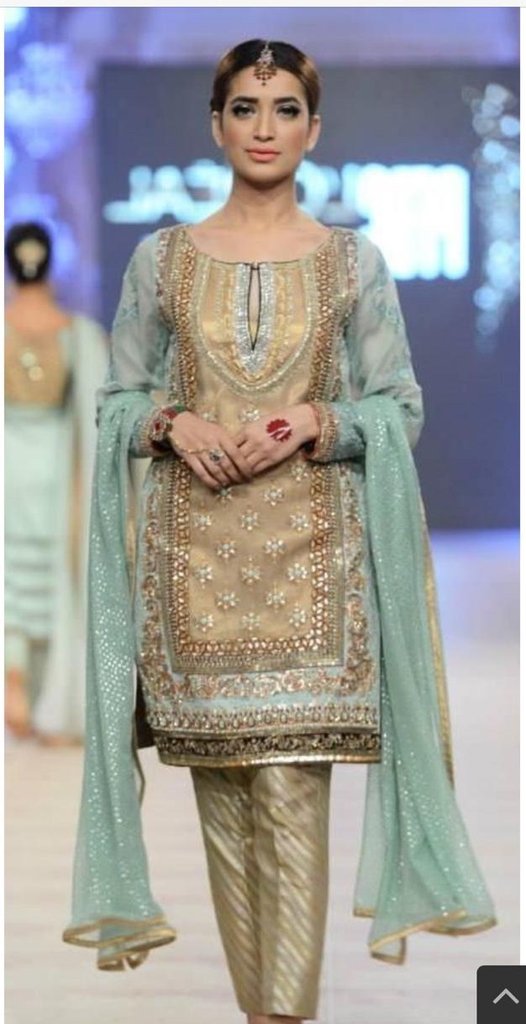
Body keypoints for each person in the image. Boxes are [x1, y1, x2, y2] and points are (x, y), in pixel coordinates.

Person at [63, 40, 497, 1024]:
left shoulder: (352, 262)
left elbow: (401, 406)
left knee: (294, 811)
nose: (265, 127)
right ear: (215, 125)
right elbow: (118, 399)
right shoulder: (163, 260)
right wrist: (172, 424)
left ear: (314, 128)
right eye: (246, 108)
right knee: (226, 820)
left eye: (286, 108)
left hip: (316, 580)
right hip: (192, 580)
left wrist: (316, 421)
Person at [4, 221, 108, 745]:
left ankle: (15, 677)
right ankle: (46, 696)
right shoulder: (78, 333)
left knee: (10, 576)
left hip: (9, 468)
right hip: (56, 472)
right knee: (49, 577)